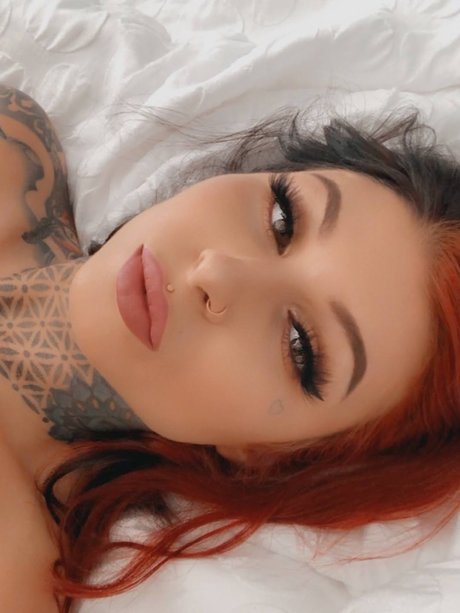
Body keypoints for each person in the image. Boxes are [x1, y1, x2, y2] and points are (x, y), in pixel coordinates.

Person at [0, 83, 458, 613]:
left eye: (300, 347)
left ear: (267, 458)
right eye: (283, 220)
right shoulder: (15, 144)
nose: (217, 273)